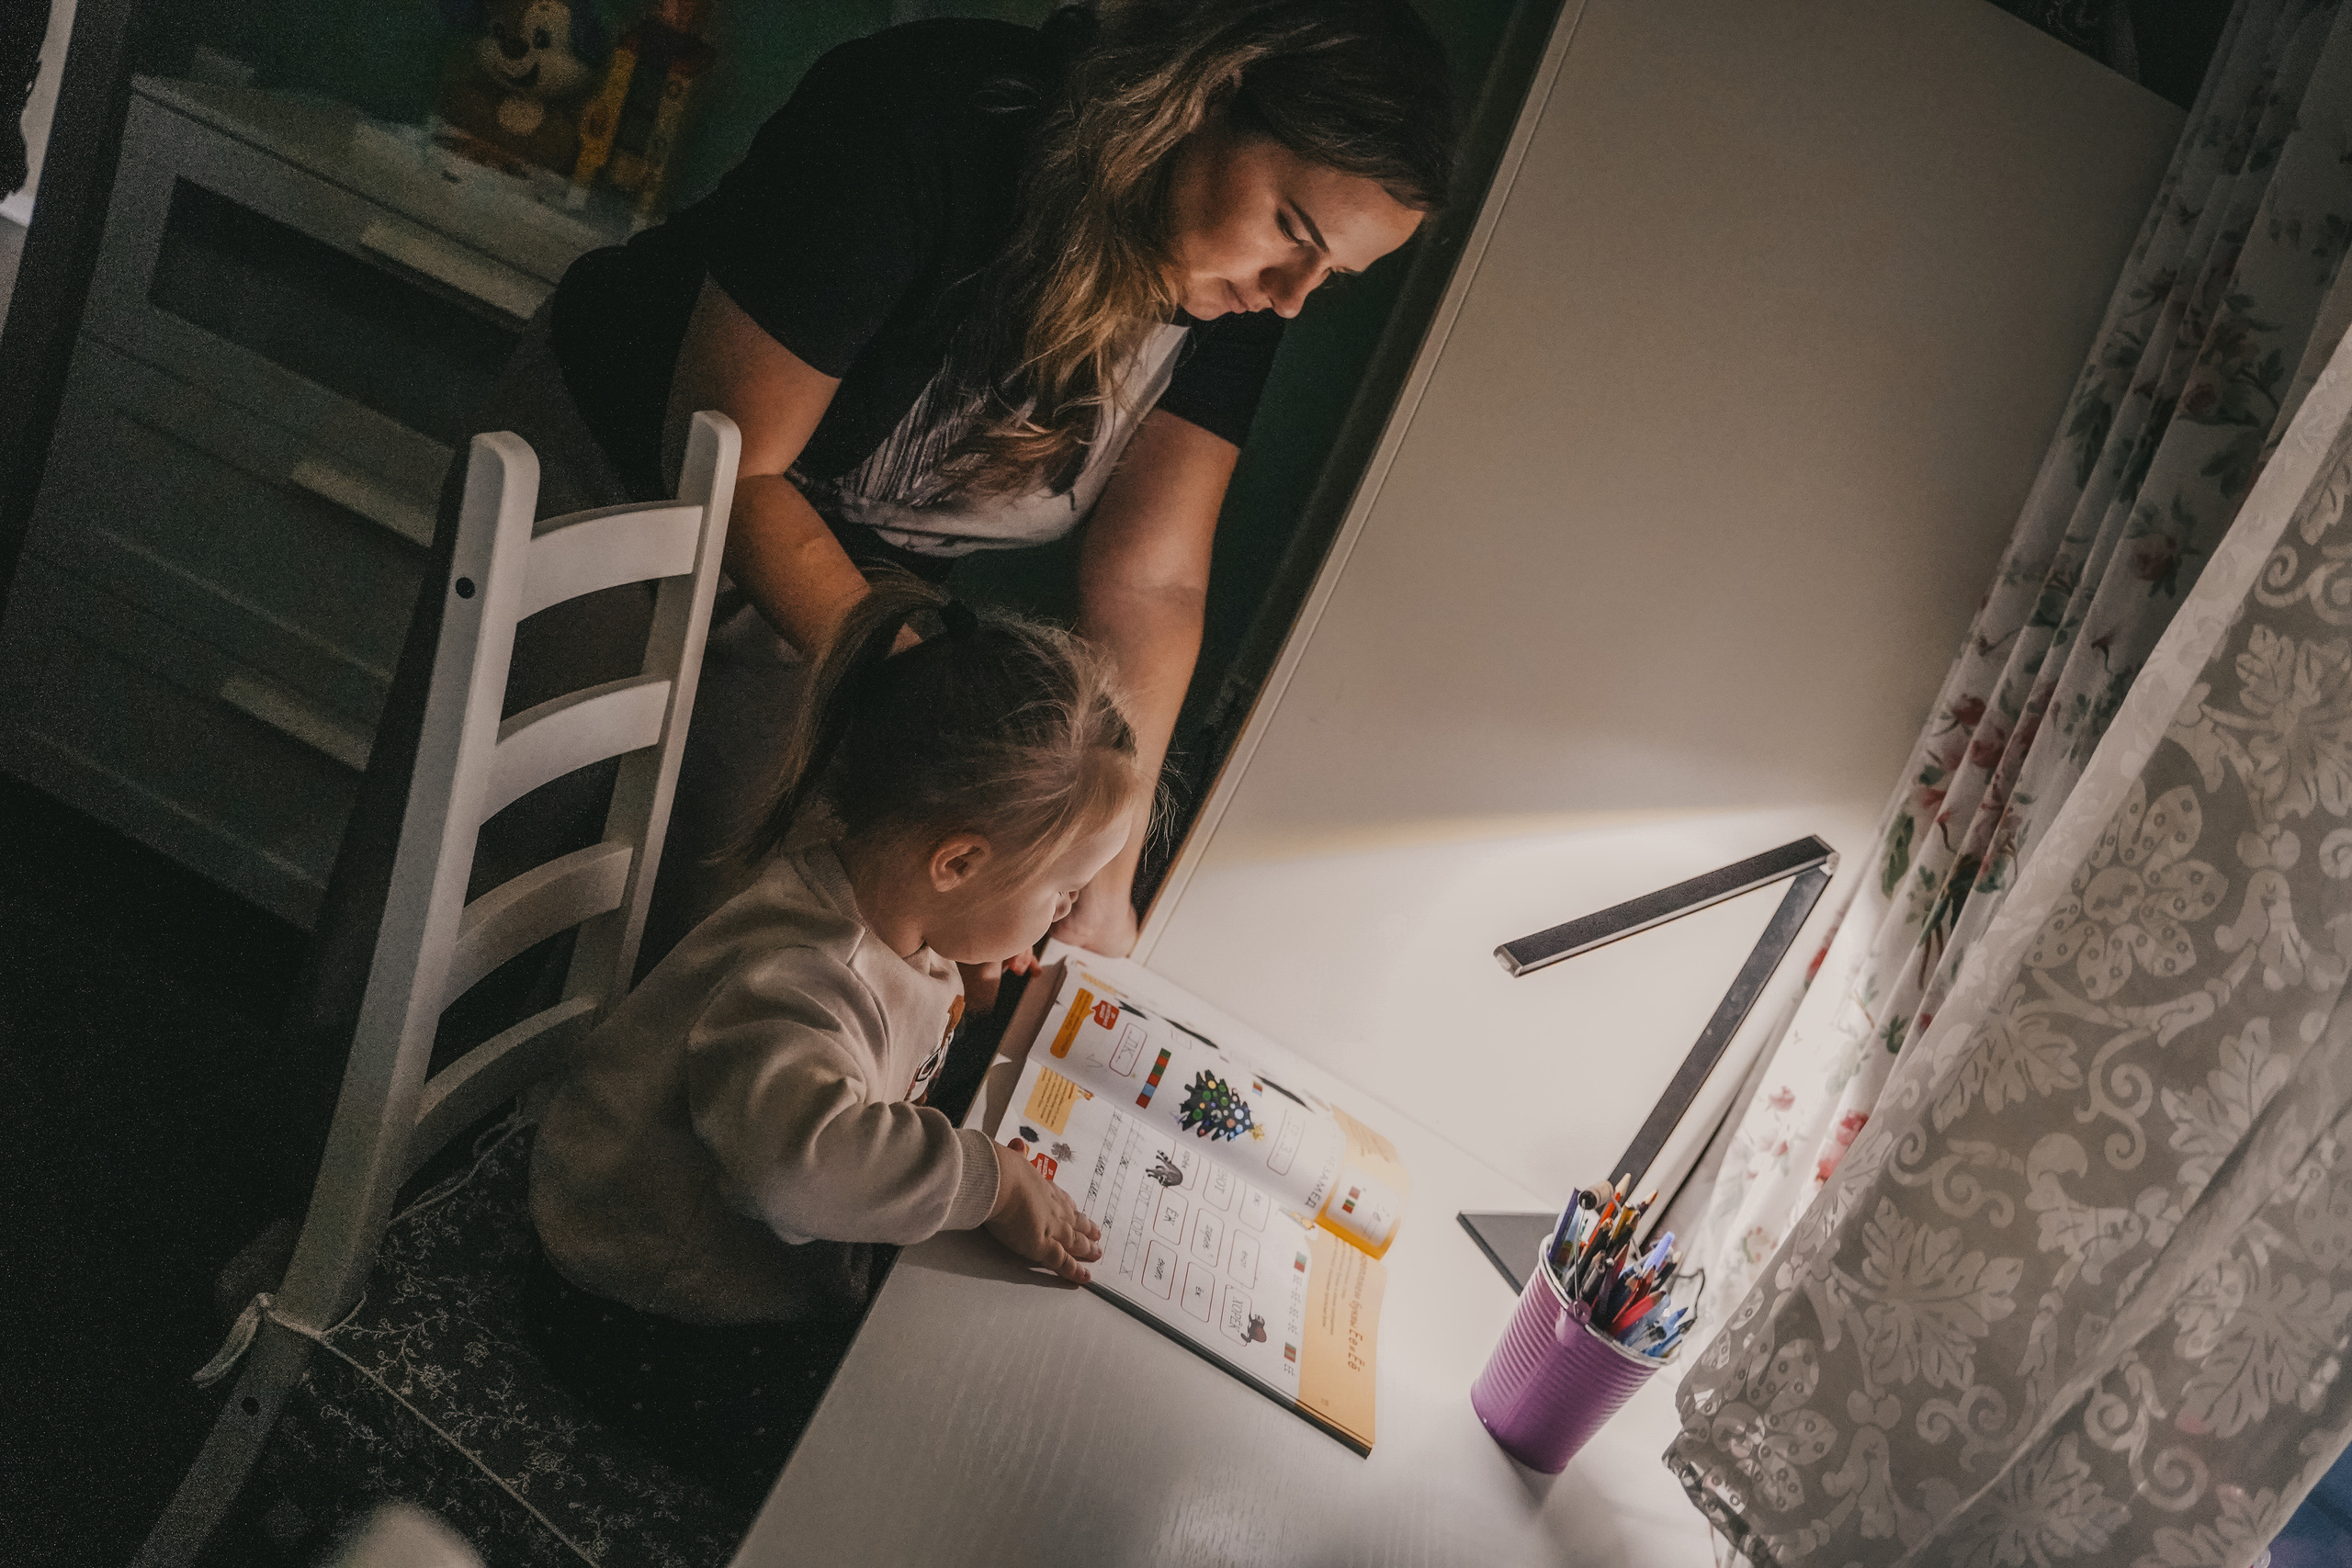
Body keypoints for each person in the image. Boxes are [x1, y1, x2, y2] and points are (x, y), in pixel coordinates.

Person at [525, 576, 1134, 1502]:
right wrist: (991, 1179)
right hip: (632, 1299)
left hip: (673, 1262)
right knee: (890, 1457)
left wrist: (963, 964)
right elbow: (793, 1173)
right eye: (1058, 892)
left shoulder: (876, 903)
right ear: (959, 861)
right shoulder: (805, 975)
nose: (1061, 915)